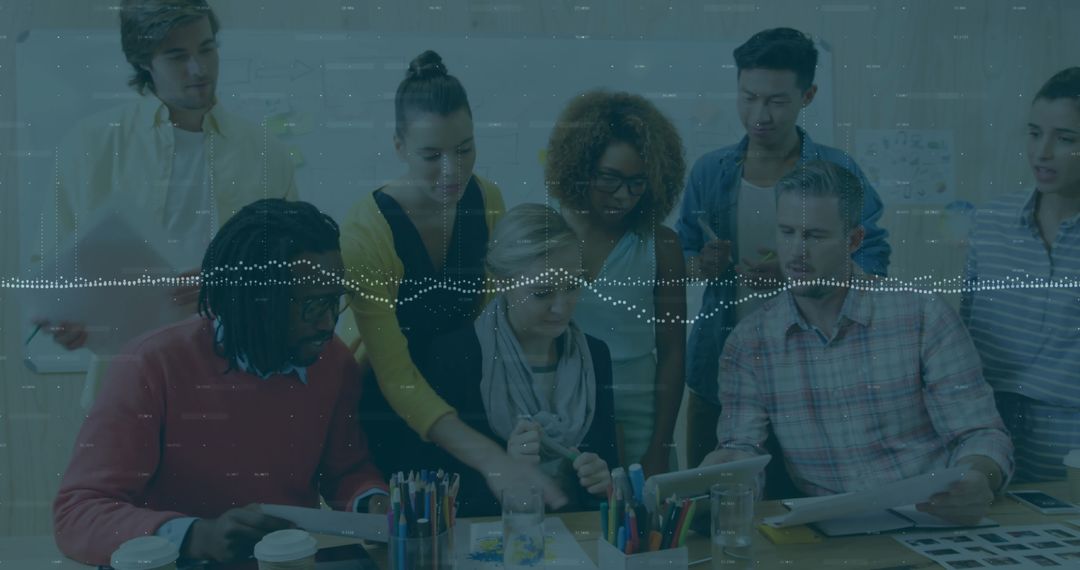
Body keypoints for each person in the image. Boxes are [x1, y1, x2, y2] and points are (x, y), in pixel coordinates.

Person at [52, 200, 386, 566]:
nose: (327, 324)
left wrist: (370, 500)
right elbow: (78, 513)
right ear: (253, 302)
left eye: (333, 302)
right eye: (310, 306)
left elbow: (347, 471)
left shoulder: (333, 361)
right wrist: (194, 535)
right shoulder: (150, 365)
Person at [701, 161, 1013, 525]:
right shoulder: (749, 344)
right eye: (786, 232)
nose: (796, 252)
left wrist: (978, 478)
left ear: (854, 240)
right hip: (830, 531)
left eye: (815, 236)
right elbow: (744, 450)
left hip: (932, 516)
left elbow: (979, 433)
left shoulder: (923, 315)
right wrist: (725, 476)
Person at [34, 0, 297, 406]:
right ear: (144, 62)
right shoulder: (88, 147)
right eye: (177, 56)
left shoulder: (267, 155)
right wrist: (61, 320)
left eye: (207, 49)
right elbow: (51, 272)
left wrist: (227, 286)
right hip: (128, 388)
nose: (199, 69)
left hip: (242, 381)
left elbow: (295, 271)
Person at [341, 51, 567, 508]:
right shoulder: (365, 232)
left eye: (465, 149)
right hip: (389, 408)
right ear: (399, 147)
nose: (453, 171)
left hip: (467, 395)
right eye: (432, 155)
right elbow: (395, 375)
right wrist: (488, 456)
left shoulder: (487, 198)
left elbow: (492, 322)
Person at [674, 28, 892, 469]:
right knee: (710, 497)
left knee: (806, 498)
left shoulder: (836, 170)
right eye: (748, 97)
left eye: (776, 101)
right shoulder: (710, 171)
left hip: (816, 367)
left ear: (807, 96)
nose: (760, 114)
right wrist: (700, 265)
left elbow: (873, 258)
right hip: (722, 362)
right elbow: (682, 258)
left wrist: (802, 273)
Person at [419, 204, 617, 516]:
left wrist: (600, 481)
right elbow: (434, 492)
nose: (562, 307)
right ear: (501, 282)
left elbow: (604, 491)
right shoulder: (455, 357)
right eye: (542, 293)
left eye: (572, 287)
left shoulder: (596, 356)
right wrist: (503, 470)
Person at [545, 90, 686, 475]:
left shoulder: (661, 245)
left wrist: (661, 446)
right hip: (559, 421)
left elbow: (672, 353)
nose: (623, 196)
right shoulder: (544, 235)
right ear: (580, 167)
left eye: (637, 183)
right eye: (610, 179)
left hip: (641, 421)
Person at [962, 67, 1080, 482]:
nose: (1042, 152)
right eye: (1034, 133)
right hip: (989, 445)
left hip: (1071, 450)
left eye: (1065, 139)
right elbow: (964, 330)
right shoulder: (990, 222)